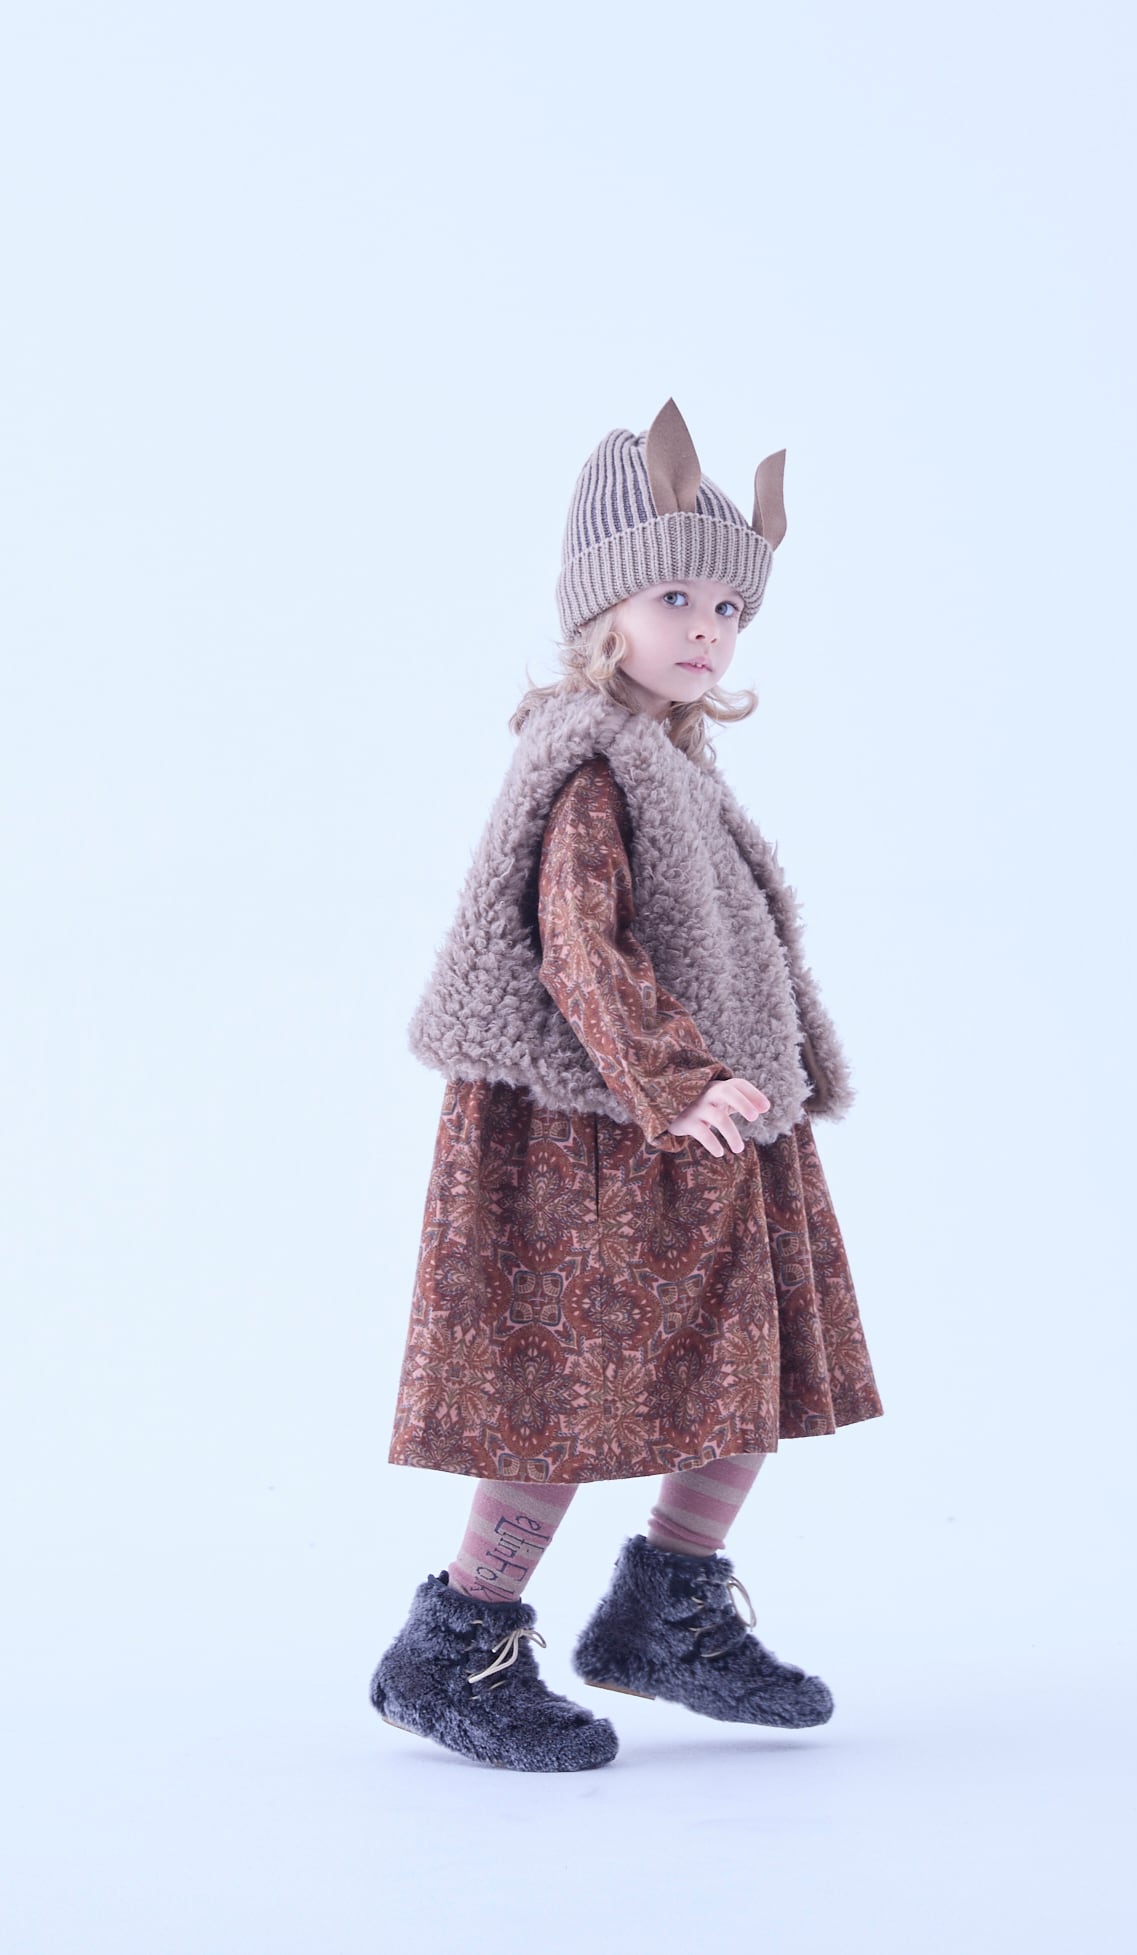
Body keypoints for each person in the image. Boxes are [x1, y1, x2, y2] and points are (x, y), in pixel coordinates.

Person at [369, 400, 884, 1772]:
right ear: (603, 608)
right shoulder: (589, 760)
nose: (708, 628)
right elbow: (576, 946)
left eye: (730, 607)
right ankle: (457, 1640)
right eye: (676, 598)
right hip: (604, 1128)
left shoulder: (668, 761)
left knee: (748, 1364)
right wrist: (672, 1078)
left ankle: (668, 1606)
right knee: (566, 1382)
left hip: (705, 1126)